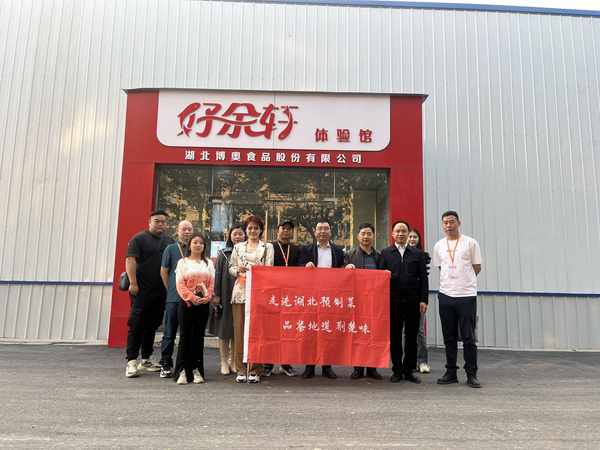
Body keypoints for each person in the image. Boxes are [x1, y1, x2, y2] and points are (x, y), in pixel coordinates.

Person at [432, 210, 483, 388]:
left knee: (468, 337)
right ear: (442, 225)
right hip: (446, 295)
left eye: (452, 222)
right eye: (445, 222)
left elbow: (477, 267)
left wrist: (464, 282)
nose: (449, 225)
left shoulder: (470, 243)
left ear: (459, 223)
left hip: (466, 296)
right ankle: (451, 372)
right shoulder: (439, 245)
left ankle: (471, 374)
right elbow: (441, 268)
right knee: (449, 336)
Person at [124, 210, 175, 378]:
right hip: (141, 290)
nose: (160, 224)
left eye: (163, 222)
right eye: (157, 221)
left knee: (152, 325)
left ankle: (145, 359)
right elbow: (130, 260)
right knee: (136, 324)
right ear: (149, 222)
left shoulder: (169, 241)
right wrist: (133, 282)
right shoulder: (139, 239)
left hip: (160, 291)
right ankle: (131, 361)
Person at [379, 220, 428, 384]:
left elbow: (424, 278)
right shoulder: (386, 253)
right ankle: (397, 370)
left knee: (412, 336)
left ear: (408, 234)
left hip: (413, 301)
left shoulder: (417, 254)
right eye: (397, 231)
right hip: (393, 301)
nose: (400, 234)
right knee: (395, 336)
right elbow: (379, 278)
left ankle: (409, 370)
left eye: (403, 231)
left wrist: (424, 299)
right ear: (392, 234)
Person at [229, 215, 274, 384]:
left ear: (261, 230)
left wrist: (257, 270)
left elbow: (269, 268)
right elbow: (231, 267)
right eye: (250, 228)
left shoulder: (267, 247)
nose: (253, 231)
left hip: (259, 293)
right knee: (239, 331)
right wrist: (238, 270)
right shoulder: (238, 247)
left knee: (257, 332)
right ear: (246, 230)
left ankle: (255, 369)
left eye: (256, 228)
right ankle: (241, 368)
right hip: (240, 293)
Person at [299, 219, 345, 379]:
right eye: (320, 229)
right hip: (312, 297)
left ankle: (327, 366)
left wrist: (348, 268)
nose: (323, 231)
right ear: (315, 232)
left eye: (326, 228)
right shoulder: (306, 250)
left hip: (330, 298)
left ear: (330, 232)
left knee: (328, 332)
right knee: (310, 332)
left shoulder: (338, 251)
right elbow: (297, 269)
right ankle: (309, 366)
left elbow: (342, 270)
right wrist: (305, 266)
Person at [173, 233, 215, 385]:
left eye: (201, 243)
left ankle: (197, 370)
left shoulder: (208, 263)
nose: (198, 245)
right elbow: (180, 284)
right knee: (185, 337)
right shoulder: (182, 262)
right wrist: (191, 297)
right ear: (189, 245)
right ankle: (182, 371)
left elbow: (211, 283)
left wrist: (206, 297)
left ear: (204, 246)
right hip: (186, 304)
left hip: (203, 305)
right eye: (195, 242)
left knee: (198, 337)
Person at [344, 223, 383, 381]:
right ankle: (358, 368)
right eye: (363, 233)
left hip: (375, 302)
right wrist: (346, 268)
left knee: (374, 334)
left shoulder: (379, 256)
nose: (366, 236)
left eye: (369, 233)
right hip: (357, 302)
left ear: (374, 236)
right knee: (358, 334)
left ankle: (372, 368)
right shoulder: (349, 255)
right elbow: (340, 275)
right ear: (357, 236)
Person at [263, 219, 301, 377]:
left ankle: (286, 363)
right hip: (272, 294)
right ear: (277, 230)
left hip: (290, 295)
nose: (286, 231)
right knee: (271, 329)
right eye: (283, 228)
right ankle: (268, 363)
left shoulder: (297, 249)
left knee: (288, 330)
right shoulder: (269, 247)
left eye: (289, 229)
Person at [158, 220, 193, 378]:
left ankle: (185, 363)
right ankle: (165, 362)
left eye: (189, 229)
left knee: (188, 333)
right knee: (169, 332)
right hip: (173, 297)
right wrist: (171, 288)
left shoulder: (195, 249)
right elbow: (164, 271)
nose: (187, 232)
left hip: (191, 298)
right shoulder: (171, 249)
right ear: (178, 231)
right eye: (184, 229)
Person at [213, 224, 246, 375]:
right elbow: (218, 275)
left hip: (242, 296)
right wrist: (217, 295)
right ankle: (223, 361)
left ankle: (234, 361)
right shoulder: (224, 253)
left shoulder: (248, 252)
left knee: (237, 330)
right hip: (226, 294)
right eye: (235, 234)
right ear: (230, 236)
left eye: (240, 234)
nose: (238, 237)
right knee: (224, 329)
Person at [407, 228, 432, 374]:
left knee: (420, 331)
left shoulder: (423, 256)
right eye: (410, 236)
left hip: (418, 299)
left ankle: (422, 361)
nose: (412, 239)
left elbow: (424, 280)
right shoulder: (400, 254)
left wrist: (424, 299)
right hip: (404, 299)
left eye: (414, 237)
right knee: (405, 332)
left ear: (419, 239)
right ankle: (408, 361)